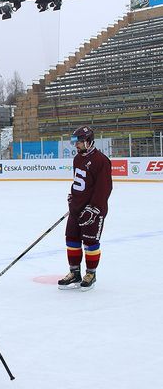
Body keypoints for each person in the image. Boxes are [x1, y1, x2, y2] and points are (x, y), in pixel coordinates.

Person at [58, 125, 112, 291]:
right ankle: (74, 273)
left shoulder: (101, 161)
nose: (76, 145)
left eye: (79, 142)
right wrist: (72, 196)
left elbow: (104, 188)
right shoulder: (77, 159)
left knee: (90, 242)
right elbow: (79, 183)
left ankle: (91, 273)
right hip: (77, 208)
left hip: (93, 211)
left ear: (88, 141)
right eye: (75, 142)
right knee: (71, 239)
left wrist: (94, 209)